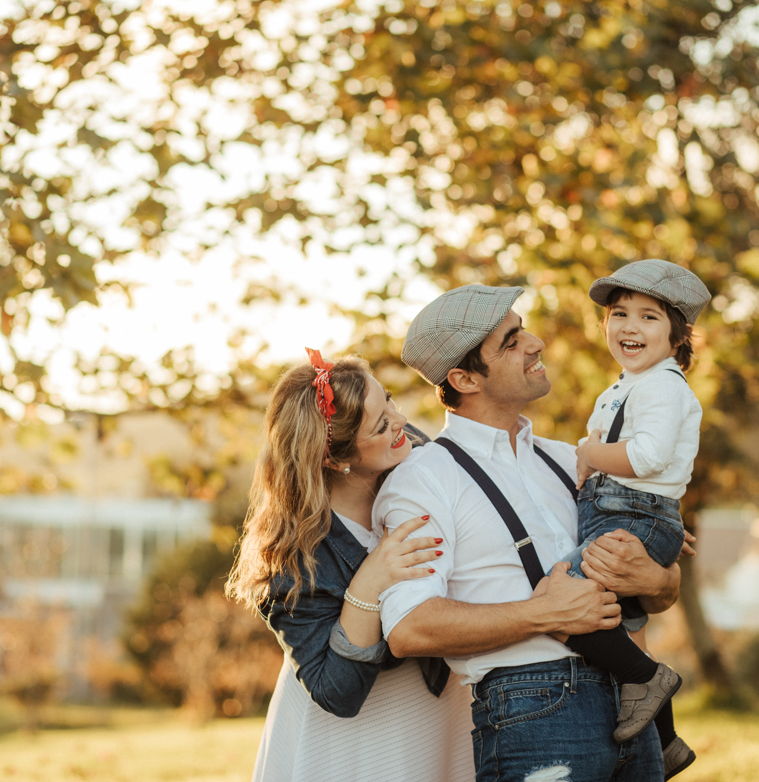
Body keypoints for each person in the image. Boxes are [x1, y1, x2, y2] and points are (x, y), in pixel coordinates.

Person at [228, 349, 621, 781]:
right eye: (380, 425)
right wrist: (369, 581)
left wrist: (633, 519)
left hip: (443, 709)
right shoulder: (293, 558)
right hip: (355, 739)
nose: (400, 421)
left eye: (390, 400)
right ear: (333, 458)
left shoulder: (423, 464)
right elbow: (335, 690)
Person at [373, 284, 690, 782]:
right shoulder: (423, 480)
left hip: (635, 710)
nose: (536, 343)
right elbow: (410, 627)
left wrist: (656, 579)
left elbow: (661, 589)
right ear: (463, 378)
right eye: (511, 340)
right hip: (533, 710)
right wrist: (541, 612)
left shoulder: (573, 459)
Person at [565, 259, 712, 779]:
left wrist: (588, 453)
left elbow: (647, 457)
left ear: (677, 337)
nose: (629, 326)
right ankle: (666, 740)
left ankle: (650, 678)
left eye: (649, 317)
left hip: (634, 513)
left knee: (569, 603)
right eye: (619, 313)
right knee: (623, 630)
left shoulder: (663, 387)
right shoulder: (625, 386)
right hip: (623, 511)